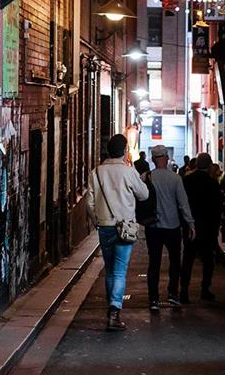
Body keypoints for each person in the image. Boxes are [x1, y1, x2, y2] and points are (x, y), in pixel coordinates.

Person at [86, 134, 149, 332]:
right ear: (124, 151)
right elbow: (144, 194)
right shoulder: (129, 172)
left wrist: (97, 220)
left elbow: (89, 202)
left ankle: (111, 308)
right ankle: (114, 311)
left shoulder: (96, 173)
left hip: (105, 226)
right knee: (120, 270)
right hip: (125, 227)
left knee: (110, 268)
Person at [144, 145, 196, 312]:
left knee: (154, 262)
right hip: (172, 226)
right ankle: (173, 294)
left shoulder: (145, 177)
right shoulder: (175, 179)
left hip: (153, 226)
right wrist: (190, 223)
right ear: (166, 158)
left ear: (153, 159)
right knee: (174, 261)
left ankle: (153, 299)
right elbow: (183, 203)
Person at [180, 152, 221, 302]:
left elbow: (182, 202)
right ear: (209, 165)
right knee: (208, 259)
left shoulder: (187, 180)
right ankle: (205, 289)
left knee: (188, 258)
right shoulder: (212, 183)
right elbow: (217, 207)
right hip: (208, 226)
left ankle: (184, 291)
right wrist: (216, 226)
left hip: (191, 224)